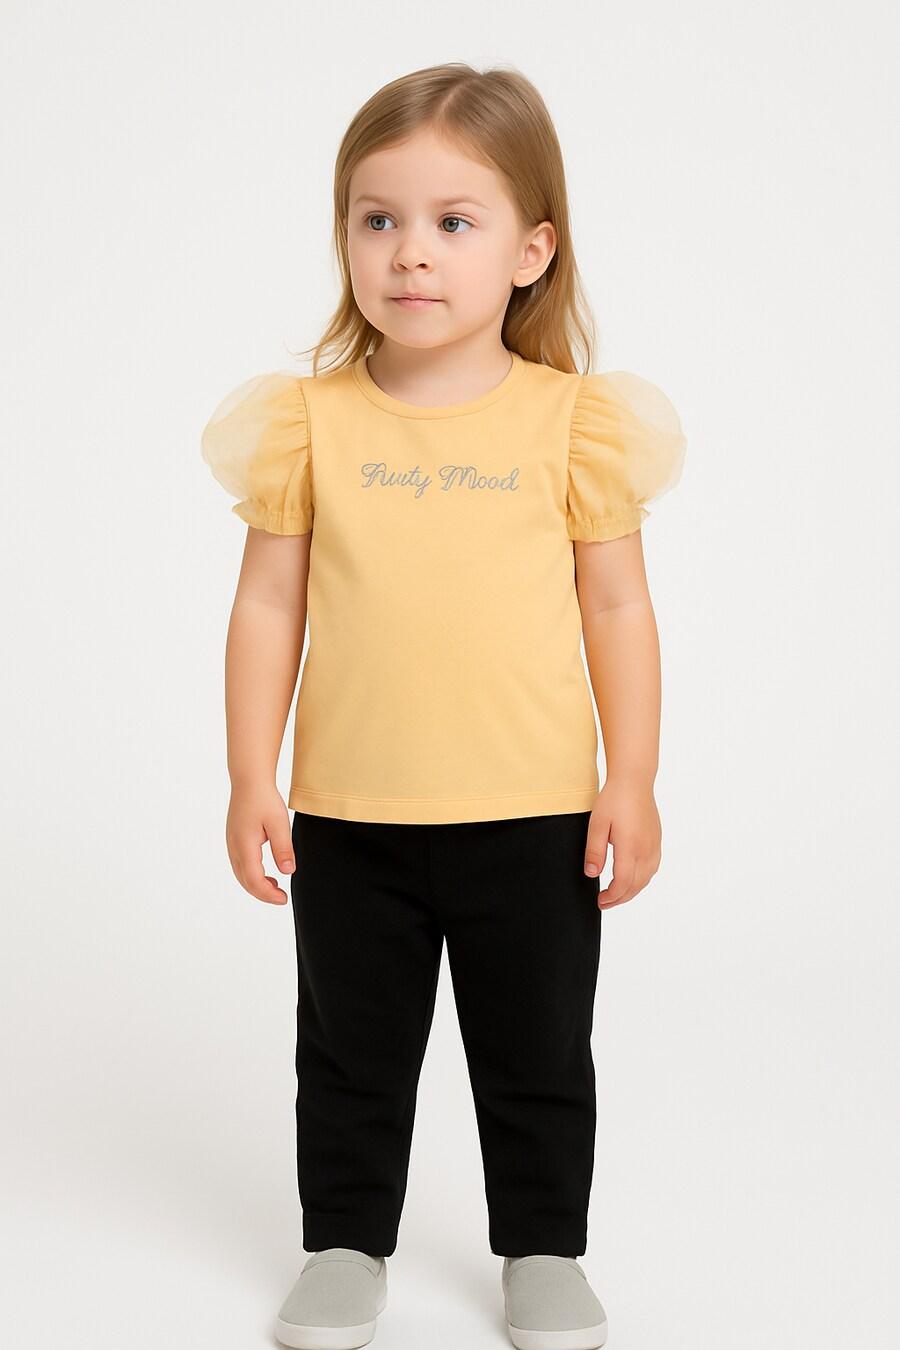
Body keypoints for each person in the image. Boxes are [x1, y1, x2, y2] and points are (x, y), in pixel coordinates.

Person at [200, 62, 686, 1350]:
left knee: (538, 1052)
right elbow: (267, 607)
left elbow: (618, 610)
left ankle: (544, 1248)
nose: (410, 251)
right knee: (348, 1051)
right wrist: (252, 774)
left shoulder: (574, 425)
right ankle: (344, 1243)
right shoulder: (309, 426)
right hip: (351, 812)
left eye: (452, 222)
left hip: (535, 813)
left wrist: (631, 778)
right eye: (379, 219)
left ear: (531, 251)